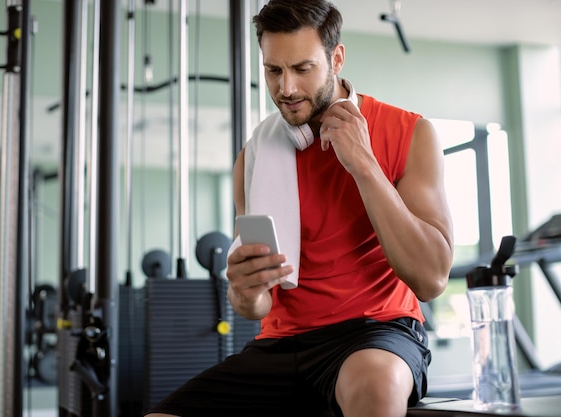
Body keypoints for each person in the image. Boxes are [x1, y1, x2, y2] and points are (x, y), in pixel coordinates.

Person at [145, 1, 453, 416]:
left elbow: (431, 278)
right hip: (280, 343)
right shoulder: (253, 159)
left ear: (336, 58)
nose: (286, 88)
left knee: (375, 389)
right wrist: (244, 289)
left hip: (375, 333)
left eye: (302, 69)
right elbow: (258, 305)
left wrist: (364, 164)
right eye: (274, 71)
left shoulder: (410, 132)